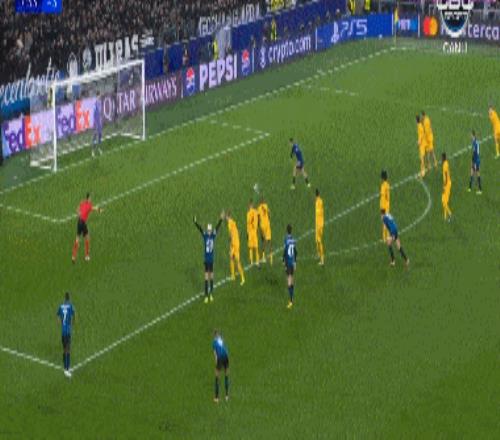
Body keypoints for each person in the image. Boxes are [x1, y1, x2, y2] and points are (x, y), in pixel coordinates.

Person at [194, 214, 223, 303]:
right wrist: (196, 223)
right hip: (207, 260)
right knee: (207, 277)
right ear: (208, 230)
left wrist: (221, 220)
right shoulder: (210, 236)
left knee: (211, 277)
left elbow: (216, 228)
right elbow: (201, 229)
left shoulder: (207, 236)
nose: (209, 231)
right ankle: (207, 295)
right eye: (209, 230)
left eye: (209, 230)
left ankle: (210, 295)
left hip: (209, 260)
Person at [71, 193, 103, 263]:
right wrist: (99, 210)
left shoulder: (82, 202)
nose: (91, 199)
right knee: (87, 238)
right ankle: (87, 256)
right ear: (88, 198)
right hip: (83, 223)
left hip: (79, 222)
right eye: (90, 198)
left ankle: (73, 256)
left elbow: (77, 209)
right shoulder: (89, 205)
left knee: (77, 239)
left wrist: (79, 214)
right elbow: (94, 208)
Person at [57, 292, 75, 378]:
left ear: (64, 298)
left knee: (64, 349)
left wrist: (61, 324)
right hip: (67, 332)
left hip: (63, 331)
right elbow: (74, 316)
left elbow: (58, 318)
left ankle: (65, 365)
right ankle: (67, 369)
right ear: (69, 298)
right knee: (68, 349)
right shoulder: (71, 306)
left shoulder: (60, 307)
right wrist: (71, 324)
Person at [225, 211, 245, 286]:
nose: (226, 218)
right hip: (236, 243)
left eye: (226, 217)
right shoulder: (233, 222)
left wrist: (230, 243)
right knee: (231, 258)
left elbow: (230, 234)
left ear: (228, 217)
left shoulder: (230, 223)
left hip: (234, 244)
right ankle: (233, 276)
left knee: (237, 261)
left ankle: (243, 278)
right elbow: (236, 232)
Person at [212, 330, 230, 403]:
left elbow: (215, 354)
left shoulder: (214, 342)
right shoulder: (221, 340)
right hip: (226, 357)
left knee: (217, 377)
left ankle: (216, 398)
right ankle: (227, 396)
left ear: (214, 336)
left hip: (220, 358)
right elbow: (226, 350)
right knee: (226, 375)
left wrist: (216, 361)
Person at [283, 224, 297, 309]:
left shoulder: (286, 240)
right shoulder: (293, 240)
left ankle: (290, 301)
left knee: (288, 281)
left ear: (286, 230)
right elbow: (295, 252)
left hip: (288, 263)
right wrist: (295, 262)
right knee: (291, 279)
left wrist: (283, 261)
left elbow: (285, 252)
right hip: (292, 262)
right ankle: (292, 298)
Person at [257, 196, 273, 264]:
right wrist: (268, 219)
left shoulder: (258, 208)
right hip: (267, 225)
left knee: (264, 241)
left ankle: (263, 257)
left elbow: (258, 218)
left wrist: (258, 226)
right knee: (269, 241)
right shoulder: (266, 206)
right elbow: (269, 213)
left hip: (262, 226)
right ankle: (271, 258)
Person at [246, 200, 260, 266]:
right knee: (256, 248)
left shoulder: (248, 213)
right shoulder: (255, 211)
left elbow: (248, 223)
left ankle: (251, 261)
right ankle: (257, 262)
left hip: (250, 233)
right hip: (254, 232)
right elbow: (258, 214)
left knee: (251, 248)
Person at [379, 170, 390, 242]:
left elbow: (383, 196)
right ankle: (387, 236)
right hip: (387, 205)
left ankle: (384, 238)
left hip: (383, 206)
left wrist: (382, 207)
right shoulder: (388, 185)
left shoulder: (383, 186)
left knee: (384, 221)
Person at [315, 189, 325, 265]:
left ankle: (322, 260)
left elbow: (318, 212)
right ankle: (318, 254)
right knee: (316, 240)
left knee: (319, 241)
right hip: (319, 223)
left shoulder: (317, 202)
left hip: (319, 225)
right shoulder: (320, 201)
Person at [441, 153, 452, 221]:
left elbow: (445, 175)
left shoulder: (444, 165)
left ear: (443, 158)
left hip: (447, 185)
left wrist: (444, 186)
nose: (441, 159)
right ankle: (445, 216)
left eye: (441, 158)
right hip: (448, 183)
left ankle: (450, 214)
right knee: (444, 201)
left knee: (444, 201)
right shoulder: (446, 163)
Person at [92, 92, 103, 157]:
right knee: (95, 135)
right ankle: (93, 151)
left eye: (100, 96)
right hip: (96, 122)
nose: (100, 97)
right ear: (97, 96)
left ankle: (99, 148)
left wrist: (101, 119)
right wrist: (95, 122)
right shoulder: (95, 103)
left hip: (99, 121)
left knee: (100, 135)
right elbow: (94, 114)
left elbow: (100, 112)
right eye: (99, 96)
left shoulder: (100, 102)